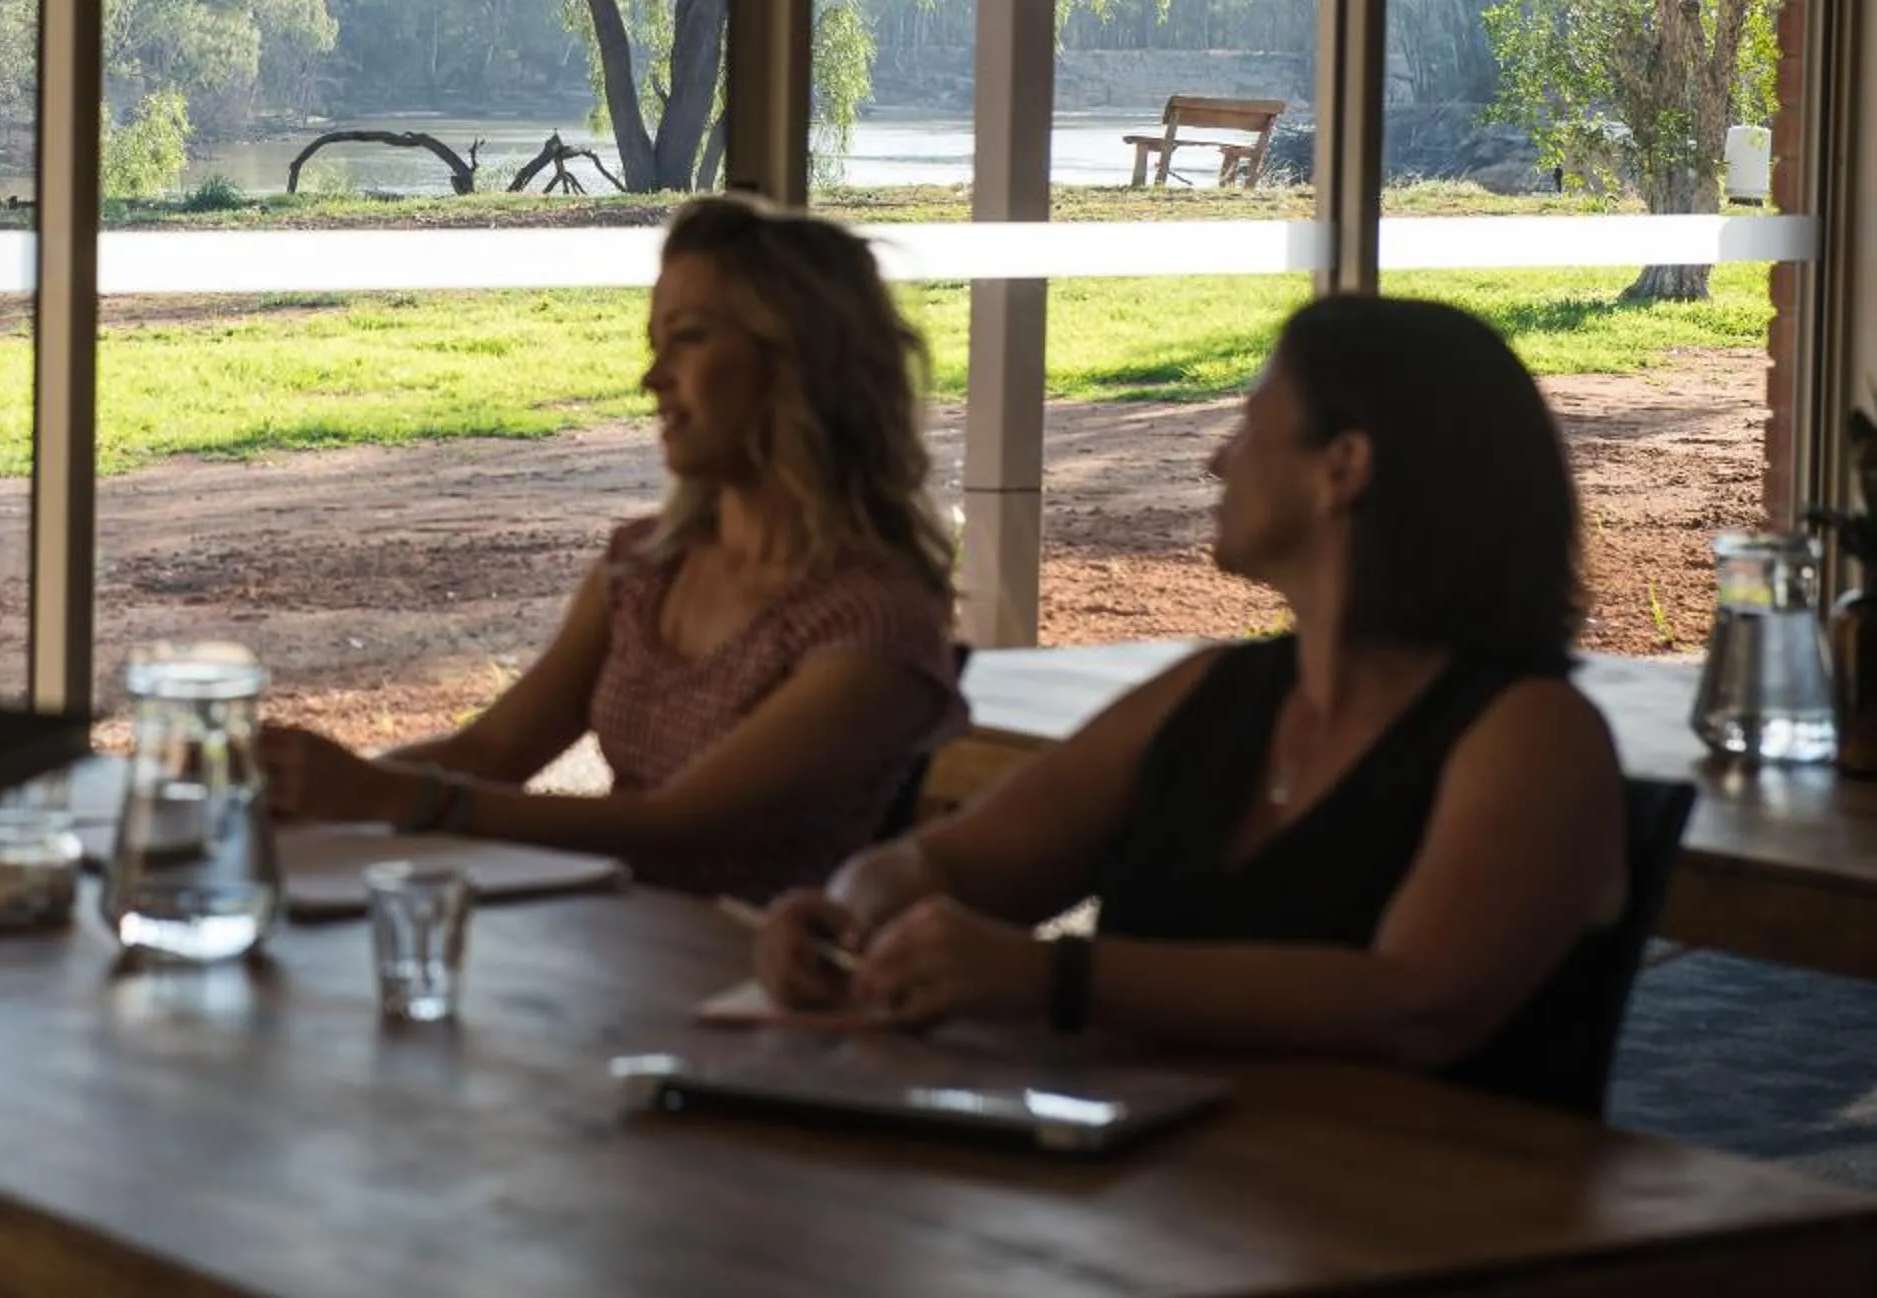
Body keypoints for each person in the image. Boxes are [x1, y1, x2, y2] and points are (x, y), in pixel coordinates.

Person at [754, 295, 1631, 1113]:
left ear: (1343, 468)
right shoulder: (1214, 693)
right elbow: (950, 866)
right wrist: (851, 912)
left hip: (1428, 1225)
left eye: (1249, 425)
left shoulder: (1532, 733)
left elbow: (1412, 1003)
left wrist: (1055, 979)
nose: (1218, 458)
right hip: (1175, 1189)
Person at [258, 195, 965, 904]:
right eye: (655, 343)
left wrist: (386, 797)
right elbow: (488, 754)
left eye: (687, 339)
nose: (652, 379)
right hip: (602, 954)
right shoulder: (646, 568)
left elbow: (678, 827)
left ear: (800, 362)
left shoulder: (875, 624)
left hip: (752, 984)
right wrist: (291, 795)